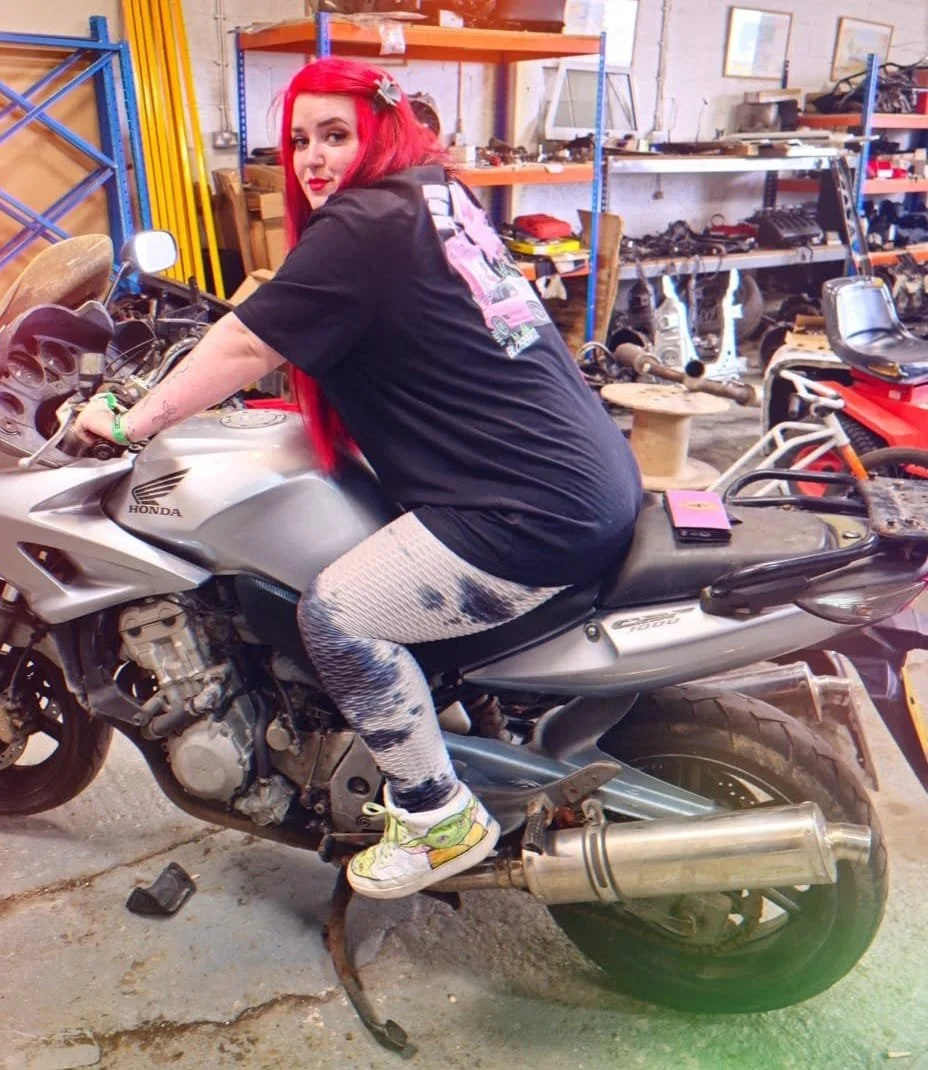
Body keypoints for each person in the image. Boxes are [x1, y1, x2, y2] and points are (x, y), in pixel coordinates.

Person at [74, 56, 643, 901]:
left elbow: (246, 346)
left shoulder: (364, 223)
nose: (311, 158)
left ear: (380, 133)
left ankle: (435, 811)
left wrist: (131, 419)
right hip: (576, 475)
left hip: (528, 509)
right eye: (300, 139)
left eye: (336, 135)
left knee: (336, 617)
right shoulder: (433, 198)